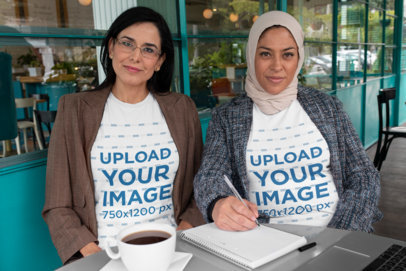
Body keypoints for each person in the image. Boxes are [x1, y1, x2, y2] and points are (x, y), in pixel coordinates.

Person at [194, 11, 382, 233]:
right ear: (251, 55)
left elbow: (364, 176)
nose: (277, 66)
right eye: (265, 54)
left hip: (339, 235)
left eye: (287, 55)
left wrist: (340, 234)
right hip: (268, 244)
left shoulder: (328, 108)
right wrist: (217, 203)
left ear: (299, 58)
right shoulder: (227, 118)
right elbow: (210, 176)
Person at [42, 7, 204, 264]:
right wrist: (96, 258)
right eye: (127, 44)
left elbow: (201, 186)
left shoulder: (182, 109)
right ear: (112, 47)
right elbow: (57, 205)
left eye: (149, 49)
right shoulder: (75, 109)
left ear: (160, 61)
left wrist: (182, 235)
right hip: (103, 254)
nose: (135, 57)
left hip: (171, 254)